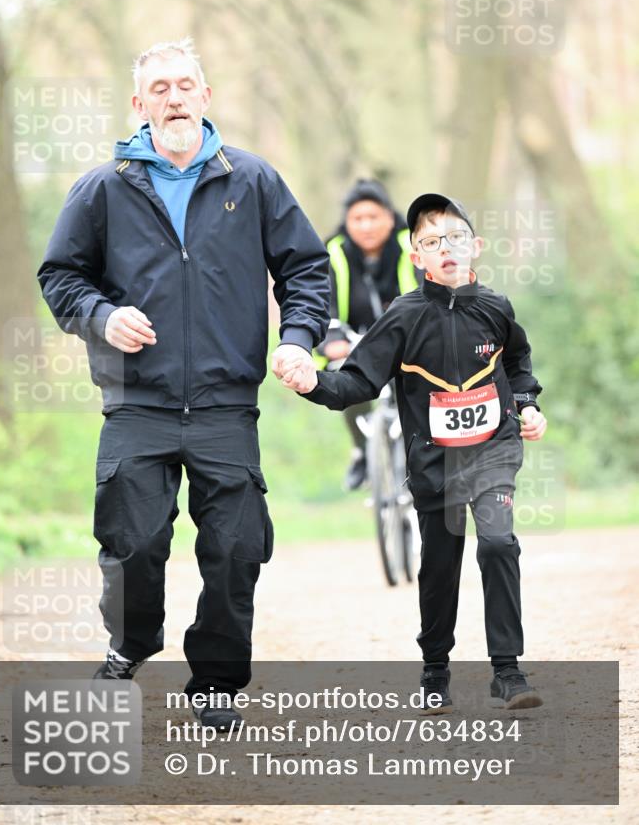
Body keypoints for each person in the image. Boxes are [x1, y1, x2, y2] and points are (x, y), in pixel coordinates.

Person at [37, 38, 330, 730]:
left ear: (205, 95)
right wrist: (101, 316)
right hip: (136, 399)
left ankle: (217, 683)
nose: (174, 97)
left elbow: (307, 270)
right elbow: (60, 277)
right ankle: (131, 643)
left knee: (236, 548)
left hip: (227, 401)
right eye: (159, 88)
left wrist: (296, 339)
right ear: (138, 105)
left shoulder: (252, 180)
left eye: (185, 84)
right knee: (133, 542)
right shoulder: (104, 186)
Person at [279, 193, 547, 712]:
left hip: (493, 452)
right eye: (430, 242)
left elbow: (517, 363)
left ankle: (508, 672)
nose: (445, 249)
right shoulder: (404, 316)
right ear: (416, 255)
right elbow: (356, 381)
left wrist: (528, 404)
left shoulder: (496, 307)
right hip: (434, 463)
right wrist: (313, 382)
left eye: (455, 238)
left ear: (476, 247)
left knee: (497, 545)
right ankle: (435, 671)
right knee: (440, 565)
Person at [317, 179, 419, 489]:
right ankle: (363, 448)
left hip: (406, 342)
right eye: (357, 219)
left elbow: (430, 292)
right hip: (353, 343)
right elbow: (323, 304)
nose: (366, 226)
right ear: (346, 223)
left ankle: (423, 452)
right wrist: (331, 341)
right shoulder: (333, 251)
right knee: (345, 383)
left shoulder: (412, 245)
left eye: (373, 217)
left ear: (390, 217)